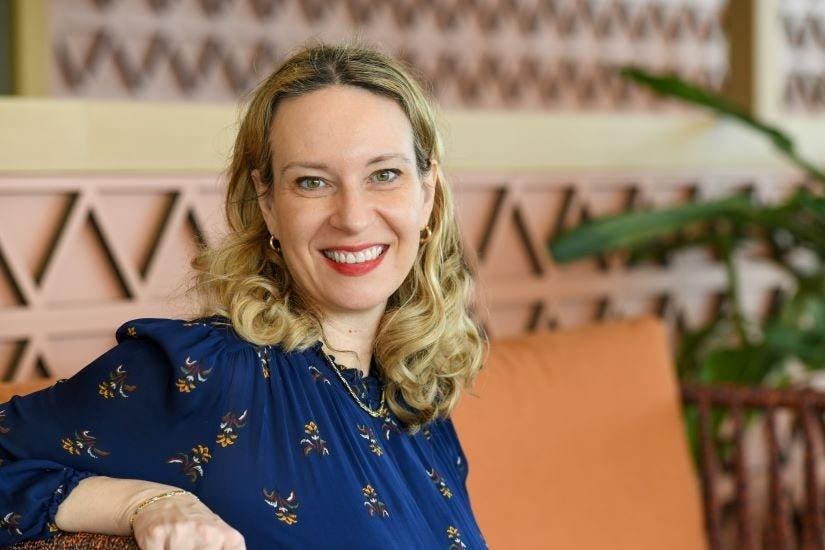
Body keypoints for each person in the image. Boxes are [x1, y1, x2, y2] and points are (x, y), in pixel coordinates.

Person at [0, 42, 487, 549]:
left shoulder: (417, 398)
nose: (353, 216)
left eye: (384, 175)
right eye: (312, 182)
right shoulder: (209, 372)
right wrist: (139, 502)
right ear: (268, 202)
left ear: (427, 193)